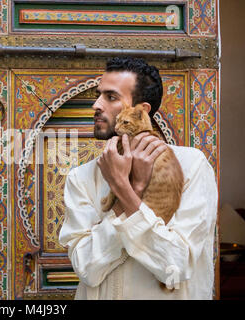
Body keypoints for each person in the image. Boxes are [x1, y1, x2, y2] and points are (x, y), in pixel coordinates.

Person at [58, 57, 218, 300]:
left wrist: (125, 191)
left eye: (111, 97)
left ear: (141, 111)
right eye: (98, 95)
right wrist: (133, 188)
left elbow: (176, 267)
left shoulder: (191, 166)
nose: (96, 105)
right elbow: (87, 269)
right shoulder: (81, 177)